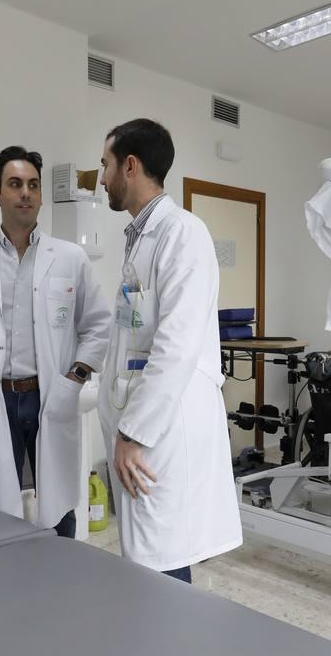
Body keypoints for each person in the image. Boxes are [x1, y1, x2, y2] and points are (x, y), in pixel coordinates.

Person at [0, 145, 111, 536]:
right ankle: (7, 585)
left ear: (42, 195)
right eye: (15, 184)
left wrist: (74, 378)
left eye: (33, 185)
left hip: (50, 395)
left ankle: (62, 580)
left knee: (59, 503)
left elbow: (98, 326)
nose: (25, 193)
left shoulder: (70, 259)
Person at [96, 118, 242, 581]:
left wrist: (132, 433)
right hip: (146, 427)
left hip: (161, 431)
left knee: (160, 561)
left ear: (131, 166)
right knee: (149, 557)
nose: (101, 178)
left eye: (106, 165)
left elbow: (175, 346)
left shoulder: (182, 233)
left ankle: (169, 649)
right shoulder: (142, 237)